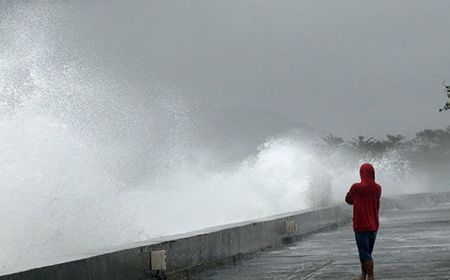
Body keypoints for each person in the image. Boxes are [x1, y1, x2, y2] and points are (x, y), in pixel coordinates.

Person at [345, 163, 382, 280]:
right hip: (374, 225)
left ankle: (370, 276)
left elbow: (348, 200)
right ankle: (363, 275)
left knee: (364, 253)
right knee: (366, 252)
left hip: (361, 225)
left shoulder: (356, 187)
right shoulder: (378, 188)